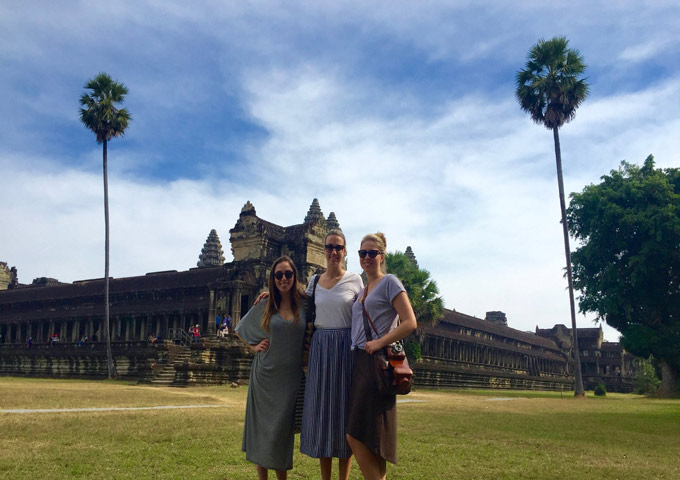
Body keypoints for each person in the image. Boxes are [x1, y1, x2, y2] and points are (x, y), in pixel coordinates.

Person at [346, 233, 417, 480]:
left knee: (354, 434)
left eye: (372, 253)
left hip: (375, 362)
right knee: (372, 439)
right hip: (359, 361)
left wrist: (379, 342)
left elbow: (409, 322)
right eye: (362, 253)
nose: (367, 257)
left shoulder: (390, 282)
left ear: (382, 256)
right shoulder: (363, 290)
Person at [235, 255, 307, 480]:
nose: (283, 278)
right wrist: (254, 346)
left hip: (290, 380)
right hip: (265, 377)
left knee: (281, 435)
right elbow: (240, 328)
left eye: (288, 274)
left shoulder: (304, 303)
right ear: (273, 279)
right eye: (278, 275)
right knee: (262, 433)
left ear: (295, 277)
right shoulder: (265, 304)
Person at [300, 229, 363, 480]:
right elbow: (298, 308)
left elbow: (366, 312)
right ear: (323, 250)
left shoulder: (355, 280)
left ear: (345, 251)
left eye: (338, 247)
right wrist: (271, 294)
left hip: (345, 349)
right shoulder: (314, 282)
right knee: (323, 413)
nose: (333, 252)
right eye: (329, 247)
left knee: (343, 414)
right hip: (320, 347)